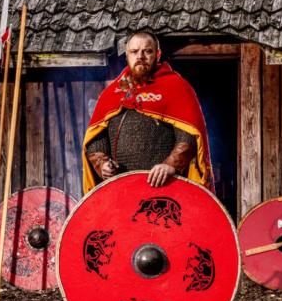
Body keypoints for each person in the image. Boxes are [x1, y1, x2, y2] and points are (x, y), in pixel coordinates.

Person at [82, 30, 213, 193]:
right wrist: (102, 163)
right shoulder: (112, 94)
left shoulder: (177, 88)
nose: (140, 56)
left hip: (165, 186)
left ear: (157, 55)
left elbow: (189, 135)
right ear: (127, 56)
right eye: (134, 52)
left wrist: (170, 164)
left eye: (147, 51)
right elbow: (96, 140)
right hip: (122, 189)